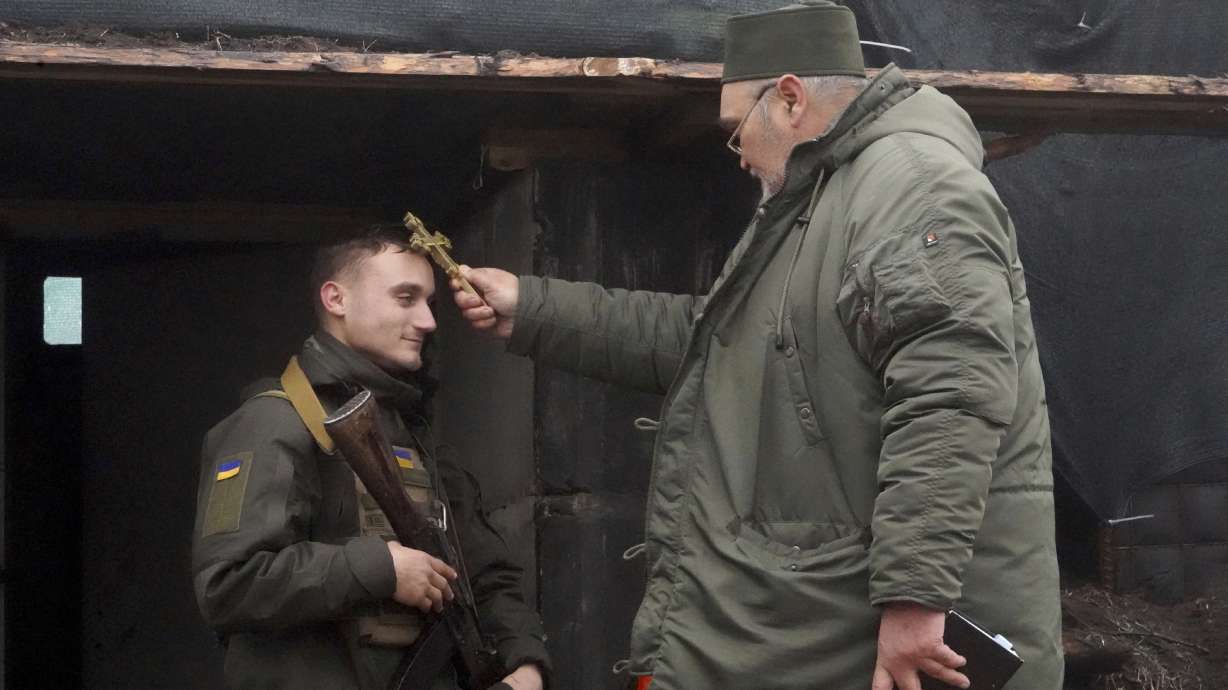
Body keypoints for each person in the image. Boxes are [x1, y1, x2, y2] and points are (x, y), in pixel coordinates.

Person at [450, 2, 1062, 689]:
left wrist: (915, 603)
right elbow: (716, 342)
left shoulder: (912, 187)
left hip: (909, 648)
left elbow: (951, 396)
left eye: (736, 129)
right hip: (832, 625)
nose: (738, 154)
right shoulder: (823, 201)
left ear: (791, 99)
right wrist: (532, 308)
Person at [191, 227, 550, 690]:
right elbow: (228, 583)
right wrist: (381, 569)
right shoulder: (275, 421)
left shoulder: (416, 433)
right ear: (336, 299)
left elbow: (485, 576)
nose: (428, 321)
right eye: (405, 298)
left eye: (429, 303)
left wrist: (525, 664)